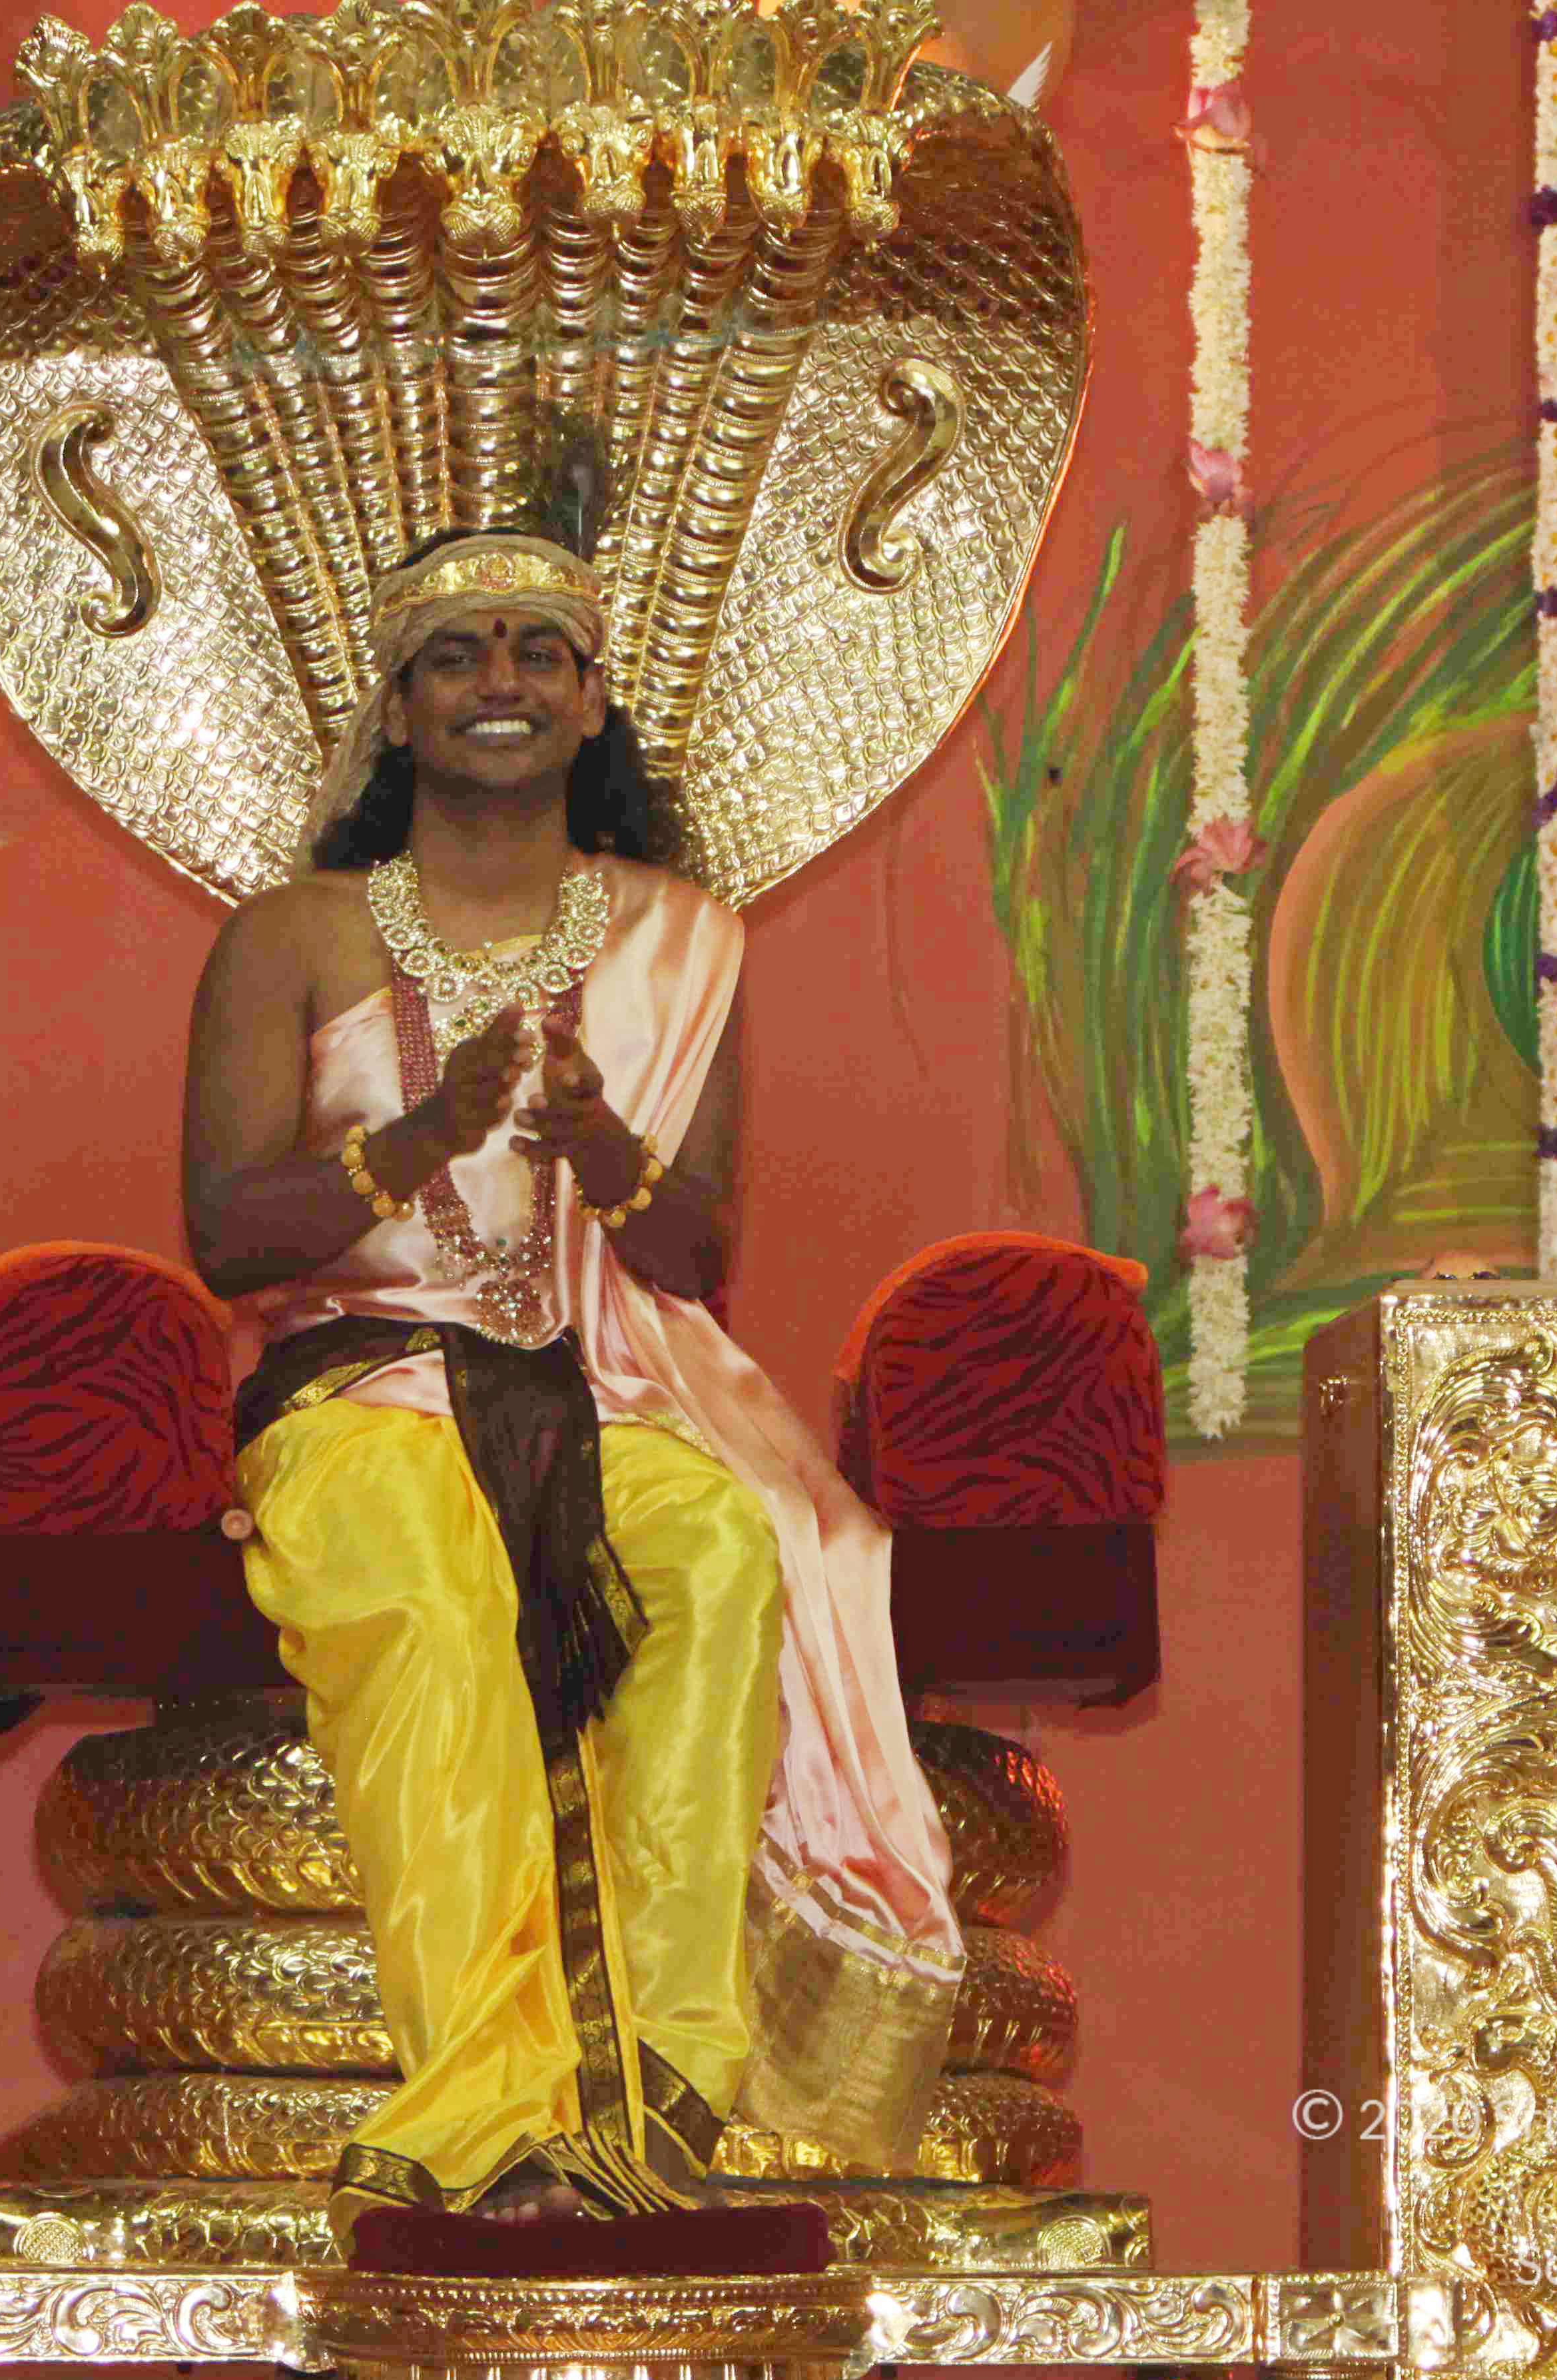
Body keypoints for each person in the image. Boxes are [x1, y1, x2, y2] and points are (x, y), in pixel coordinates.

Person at [180, 518, 961, 2226]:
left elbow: (693, 1260)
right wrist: (425, 1134)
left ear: (594, 702)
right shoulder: (293, 935)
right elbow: (229, 1236)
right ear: (397, 710)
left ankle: (663, 2088)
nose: (502, 683)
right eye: (456, 656)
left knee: (726, 1549)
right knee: (434, 1589)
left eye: (542, 652)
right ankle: (485, 2109)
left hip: (605, 1384)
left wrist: (603, 1147)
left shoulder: (685, 940)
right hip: (360, 1388)